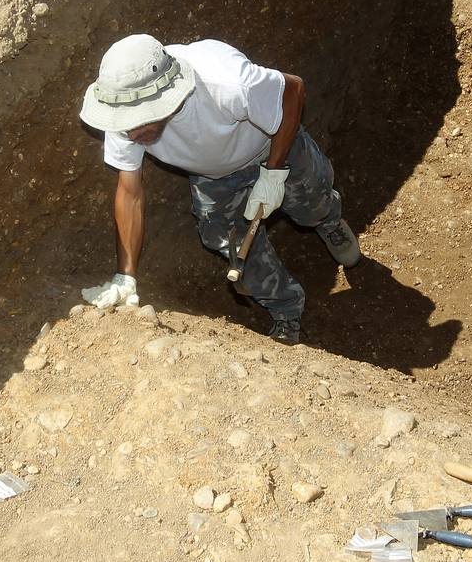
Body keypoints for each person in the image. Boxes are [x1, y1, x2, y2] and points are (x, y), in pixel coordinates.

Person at [77, 34, 361, 344]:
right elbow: (129, 192)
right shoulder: (122, 112)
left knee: (312, 201)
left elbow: (292, 89)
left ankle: (328, 221)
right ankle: (286, 309)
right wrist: (126, 275)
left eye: (140, 124)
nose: (131, 134)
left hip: (273, 147)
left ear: (168, 97)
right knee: (232, 242)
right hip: (214, 176)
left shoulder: (224, 82)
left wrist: (274, 173)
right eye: (126, 126)